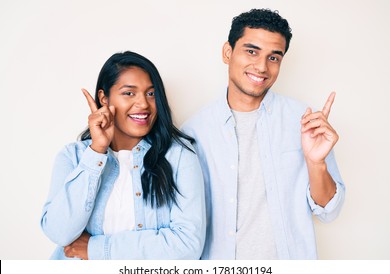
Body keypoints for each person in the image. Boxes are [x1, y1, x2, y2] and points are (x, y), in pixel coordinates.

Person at [182, 8, 345, 259]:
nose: (261, 66)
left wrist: (316, 163)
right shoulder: (193, 133)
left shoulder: (304, 120)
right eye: (251, 51)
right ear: (228, 52)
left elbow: (328, 212)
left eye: (273, 57)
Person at [41, 51, 206, 260]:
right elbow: (59, 233)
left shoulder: (179, 157)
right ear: (104, 98)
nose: (144, 104)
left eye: (151, 93)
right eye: (129, 93)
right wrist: (96, 151)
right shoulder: (73, 157)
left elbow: (188, 245)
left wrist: (96, 249)